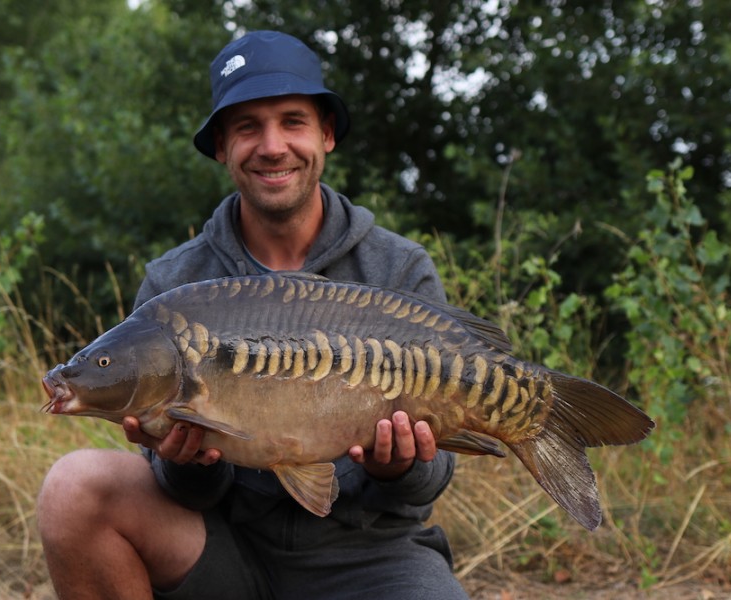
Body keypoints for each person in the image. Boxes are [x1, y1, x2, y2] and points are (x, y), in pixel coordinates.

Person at [37, 30, 469, 600]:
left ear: (326, 135)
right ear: (221, 147)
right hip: (222, 548)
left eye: (293, 120)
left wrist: (399, 467)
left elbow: (424, 488)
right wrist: (190, 461)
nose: (272, 145)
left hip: (370, 557)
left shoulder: (397, 269)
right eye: (247, 127)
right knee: (72, 486)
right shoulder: (172, 286)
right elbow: (183, 492)